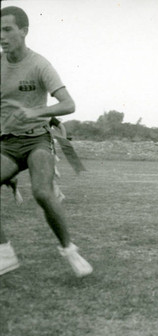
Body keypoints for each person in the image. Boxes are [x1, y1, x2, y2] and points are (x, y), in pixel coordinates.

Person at [0, 6, 92, 277]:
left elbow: (69, 104)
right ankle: (4, 253)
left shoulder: (39, 64)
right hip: (7, 143)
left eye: (7, 30)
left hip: (38, 140)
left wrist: (34, 112)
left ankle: (69, 250)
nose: (2, 37)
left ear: (24, 31)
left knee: (42, 192)